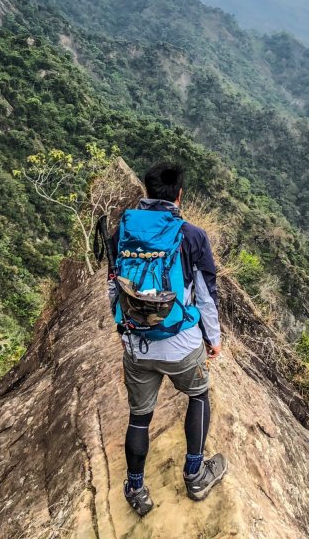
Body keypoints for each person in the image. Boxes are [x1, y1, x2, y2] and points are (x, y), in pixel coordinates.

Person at [107, 162, 227, 517]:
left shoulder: (122, 232)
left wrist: (128, 328)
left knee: (140, 417)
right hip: (180, 344)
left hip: (137, 344)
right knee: (198, 395)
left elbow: (113, 288)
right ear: (179, 196)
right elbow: (206, 296)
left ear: (146, 192)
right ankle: (195, 474)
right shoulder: (191, 235)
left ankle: (136, 487)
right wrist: (213, 339)